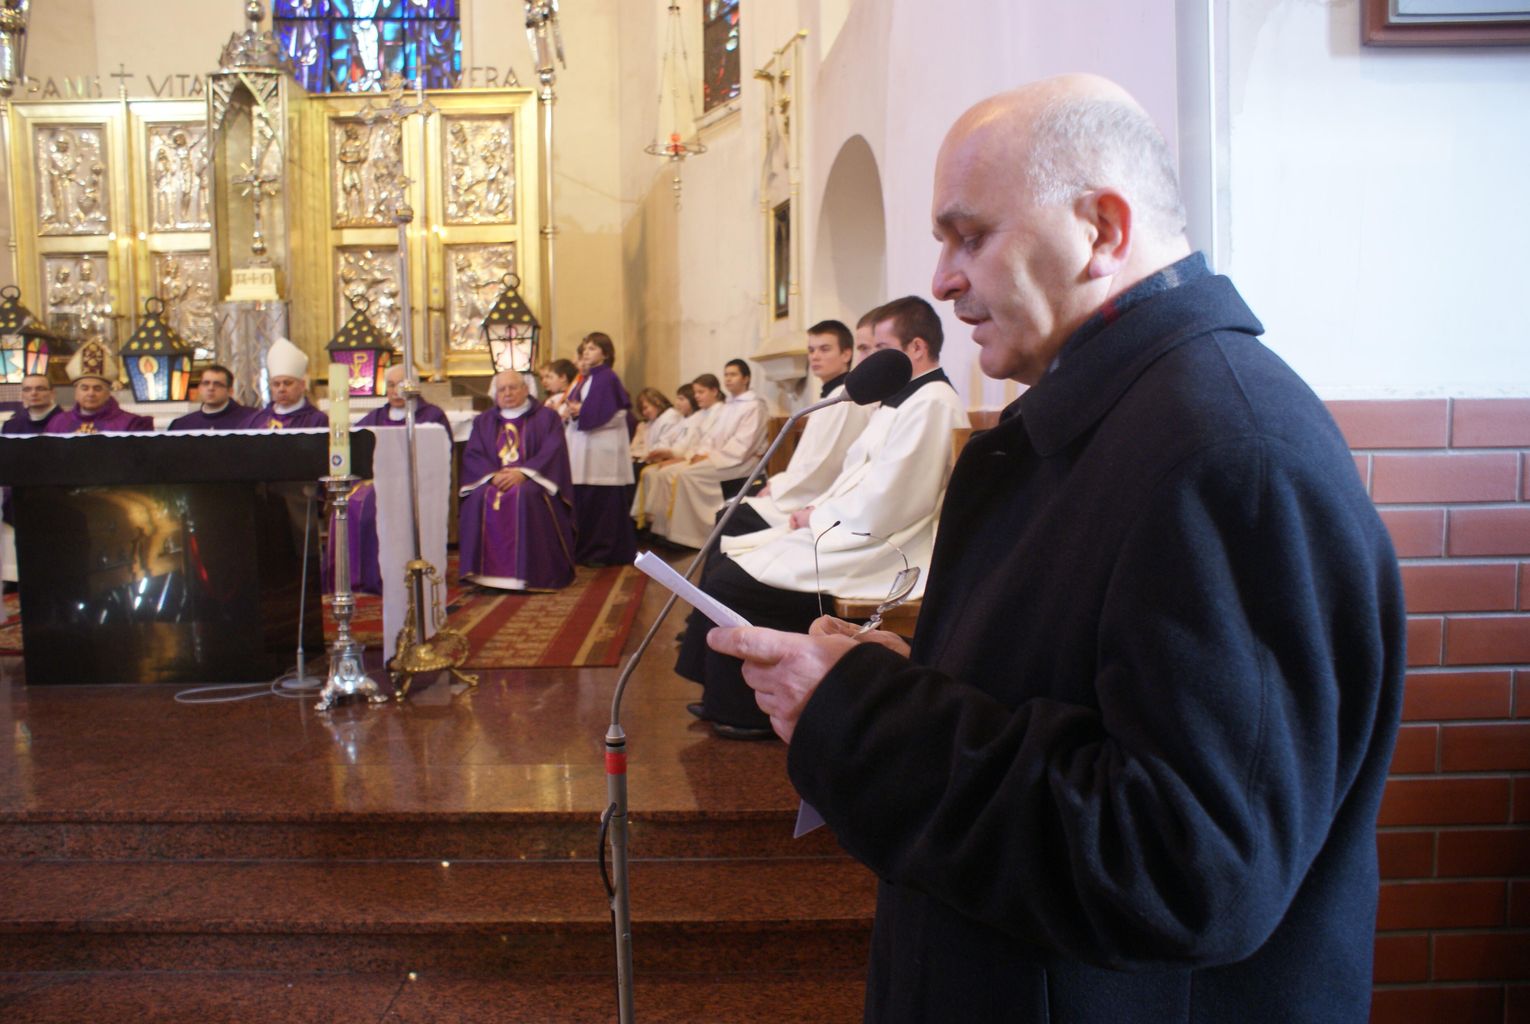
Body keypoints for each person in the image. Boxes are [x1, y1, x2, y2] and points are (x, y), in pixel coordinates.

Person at [705, 75, 1406, 1022]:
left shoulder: (1230, 454)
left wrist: (867, 719)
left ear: (1103, 230)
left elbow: (1185, 864)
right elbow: (1074, 697)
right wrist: (911, 679)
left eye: (970, 237)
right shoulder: (1123, 417)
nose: (943, 279)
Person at [678, 297, 967, 739]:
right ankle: (724, 694)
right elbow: (857, 476)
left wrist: (818, 517)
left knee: (733, 582)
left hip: (884, 545)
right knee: (734, 562)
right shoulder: (905, 400)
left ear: (916, 348)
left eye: (879, 348)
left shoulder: (933, 403)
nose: (870, 359)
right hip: (856, 527)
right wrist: (817, 513)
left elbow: (894, 499)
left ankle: (746, 712)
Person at [728, 319, 873, 535]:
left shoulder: (844, 401)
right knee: (732, 507)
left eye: (824, 349)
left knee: (731, 516)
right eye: (811, 350)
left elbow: (823, 465)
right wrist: (778, 484)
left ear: (846, 354)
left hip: (814, 499)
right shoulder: (830, 396)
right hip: (799, 490)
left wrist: (777, 488)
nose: (815, 356)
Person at [329, 364, 452, 595]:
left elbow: (439, 455)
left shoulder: (431, 416)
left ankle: (383, 576)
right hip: (376, 482)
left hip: (415, 484)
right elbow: (356, 448)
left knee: (374, 505)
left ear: (414, 387)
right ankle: (353, 577)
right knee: (350, 502)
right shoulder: (376, 417)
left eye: (401, 385)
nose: (395, 391)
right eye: (391, 385)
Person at [457, 370, 576, 591]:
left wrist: (524, 473)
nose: (507, 393)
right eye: (502, 389)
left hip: (533, 480)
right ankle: (482, 574)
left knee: (525, 495)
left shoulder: (547, 417)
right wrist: (493, 475)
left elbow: (553, 451)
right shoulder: (484, 421)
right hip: (494, 478)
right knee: (478, 497)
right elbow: (474, 454)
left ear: (526, 389)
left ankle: (529, 575)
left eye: (513, 388)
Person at [651, 359, 768, 549]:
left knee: (687, 476)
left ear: (746, 378)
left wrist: (710, 457)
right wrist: (704, 453)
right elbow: (712, 437)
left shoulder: (754, 405)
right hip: (722, 458)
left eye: (733, 374)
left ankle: (694, 536)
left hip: (742, 462)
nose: (728, 379)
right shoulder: (729, 405)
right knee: (680, 473)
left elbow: (744, 444)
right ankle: (678, 533)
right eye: (726, 375)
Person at [562, 332, 637, 566]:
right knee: (588, 502)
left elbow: (617, 413)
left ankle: (603, 552)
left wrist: (582, 411)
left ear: (605, 353)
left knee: (602, 504)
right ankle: (587, 550)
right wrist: (575, 411)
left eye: (593, 348)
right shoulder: (587, 379)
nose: (586, 352)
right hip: (585, 448)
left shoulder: (607, 378)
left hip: (602, 451)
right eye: (585, 348)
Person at [631, 373, 725, 537]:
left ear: (714, 391)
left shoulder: (721, 411)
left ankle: (680, 532)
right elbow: (691, 442)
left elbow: (712, 441)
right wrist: (678, 456)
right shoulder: (701, 414)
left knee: (669, 474)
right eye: (695, 393)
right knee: (653, 472)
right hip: (693, 455)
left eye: (700, 392)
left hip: (710, 457)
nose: (697, 396)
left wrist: (680, 457)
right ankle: (659, 527)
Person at [46, 340, 154, 434]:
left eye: (97, 388)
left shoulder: (130, 424)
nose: (91, 393)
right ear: (76, 392)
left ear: (108, 393)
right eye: (84, 388)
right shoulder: (58, 423)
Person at [243, 337, 329, 430]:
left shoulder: (316, 420)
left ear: (302, 385)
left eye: (287, 383)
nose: (281, 389)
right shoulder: (257, 420)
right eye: (276, 384)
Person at [168, 365, 251, 431]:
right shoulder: (181, 425)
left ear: (230, 391)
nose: (211, 388)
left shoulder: (250, 419)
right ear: (199, 388)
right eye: (206, 383)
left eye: (218, 384)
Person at [628, 387, 684, 471]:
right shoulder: (652, 422)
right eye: (642, 410)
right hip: (651, 457)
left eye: (645, 408)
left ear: (656, 401)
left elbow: (664, 445)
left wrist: (644, 454)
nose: (644, 413)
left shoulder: (671, 417)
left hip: (664, 457)